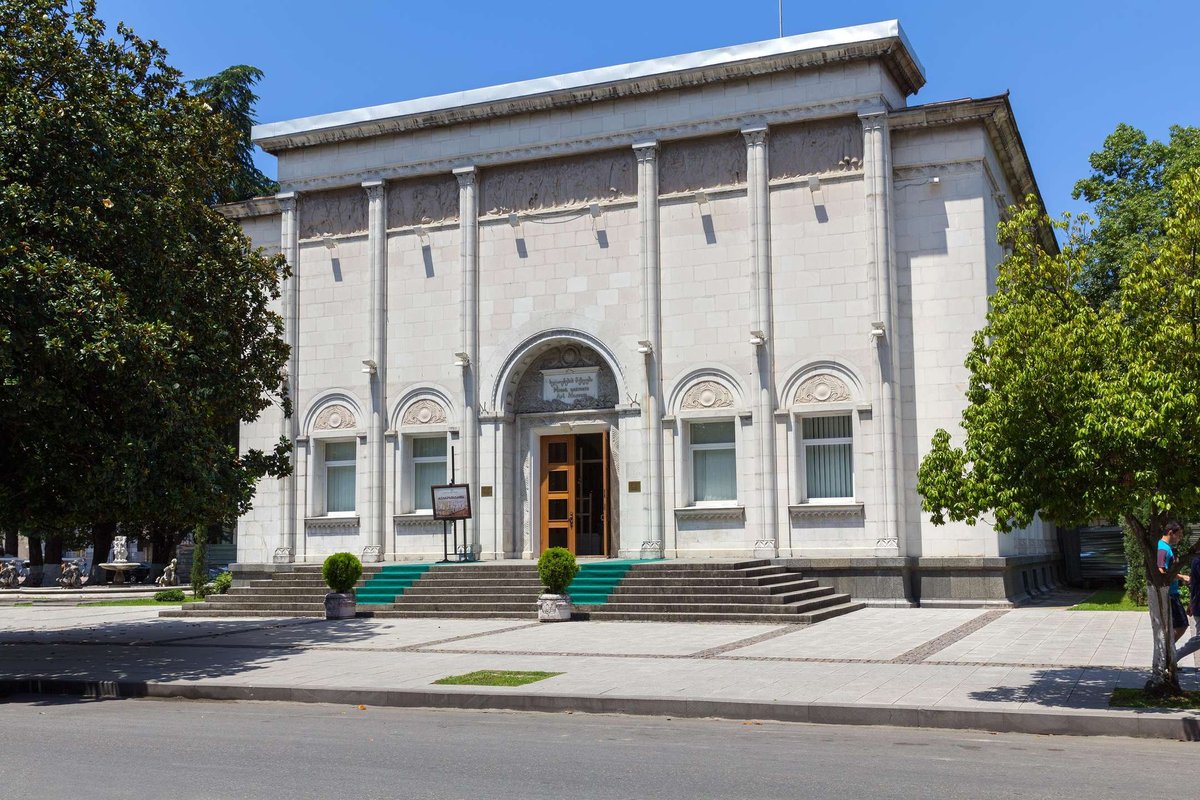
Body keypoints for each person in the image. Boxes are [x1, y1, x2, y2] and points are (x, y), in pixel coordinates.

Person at [1158, 521, 1190, 645]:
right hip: (1169, 594)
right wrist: (1182, 577)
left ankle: (1167, 651)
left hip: (1172, 592)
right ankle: (1167, 648)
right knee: (1182, 624)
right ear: (1171, 533)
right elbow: (1161, 570)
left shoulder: (1166, 547)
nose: (1180, 538)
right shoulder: (1163, 548)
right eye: (1179, 535)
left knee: (1175, 625)